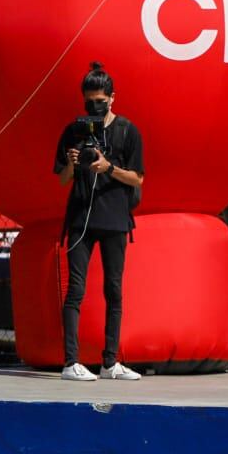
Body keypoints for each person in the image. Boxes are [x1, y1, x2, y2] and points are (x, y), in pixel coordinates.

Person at [54, 61, 145, 381]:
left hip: (115, 219)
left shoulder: (127, 131)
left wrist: (108, 167)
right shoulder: (73, 130)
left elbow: (138, 178)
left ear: (112, 98)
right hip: (81, 218)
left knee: (114, 290)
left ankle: (110, 362)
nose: (94, 106)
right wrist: (72, 163)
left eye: (100, 101)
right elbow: (62, 179)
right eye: (89, 101)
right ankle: (71, 362)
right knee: (75, 289)